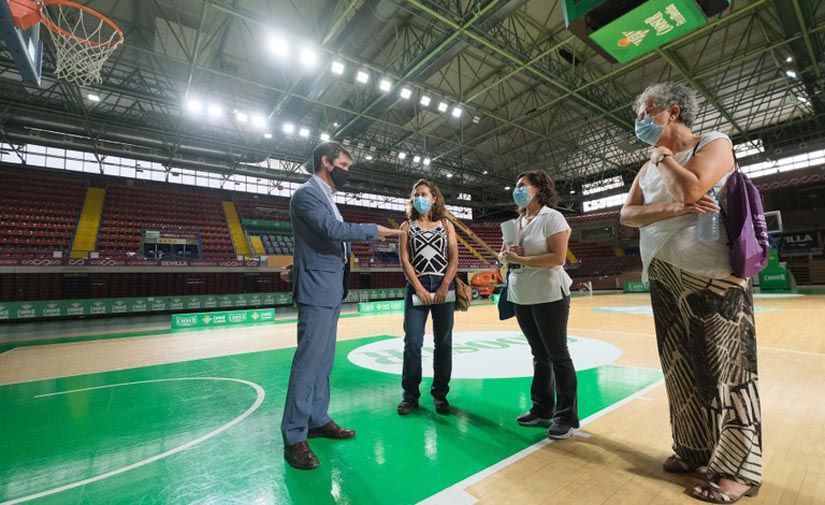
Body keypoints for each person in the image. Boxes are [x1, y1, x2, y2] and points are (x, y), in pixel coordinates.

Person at [620, 82, 762, 503]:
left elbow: (693, 188)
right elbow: (628, 215)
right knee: (679, 367)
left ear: (672, 113)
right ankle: (694, 446)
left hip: (712, 274)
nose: (639, 123)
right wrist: (676, 208)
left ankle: (739, 469)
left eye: (645, 114)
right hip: (662, 276)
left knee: (730, 373)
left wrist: (664, 159)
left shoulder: (714, 142)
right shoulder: (645, 169)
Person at [280, 141, 403, 470]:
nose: (348, 171)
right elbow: (331, 231)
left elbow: (314, 242)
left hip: (330, 288)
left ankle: (317, 419)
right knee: (307, 364)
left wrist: (298, 264)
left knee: (323, 364)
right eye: (345, 165)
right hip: (317, 290)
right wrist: (378, 231)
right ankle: (293, 436)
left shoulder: (328, 198)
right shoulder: (307, 194)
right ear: (326, 162)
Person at [500, 170, 578, 440]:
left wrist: (522, 260)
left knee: (558, 354)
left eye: (522, 185)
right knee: (539, 354)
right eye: (516, 185)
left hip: (549, 294)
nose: (517, 189)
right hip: (522, 294)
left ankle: (565, 417)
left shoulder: (552, 217)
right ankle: (542, 408)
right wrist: (507, 257)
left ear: (538, 189)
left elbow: (557, 258)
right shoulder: (516, 223)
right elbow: (507, 259)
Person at [396, 179, 459, 415]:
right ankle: (410, 396)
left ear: (434, 198)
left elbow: (454, 259)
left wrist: (444, 285)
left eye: (424, 194)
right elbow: (404, 260)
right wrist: (419, 288)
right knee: (413, 342)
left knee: (443, 343)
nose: (419, 198)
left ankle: (440, 394)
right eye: (416, 195)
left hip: (444, 285)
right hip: (417, 285)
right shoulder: (406, 226)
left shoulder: (446, 225)